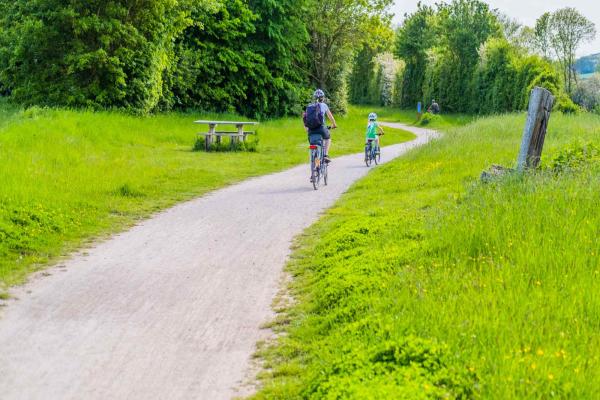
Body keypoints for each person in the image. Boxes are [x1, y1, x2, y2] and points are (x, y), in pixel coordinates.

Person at [303, 89, 337, 163]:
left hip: (311, 131)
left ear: (314, 98)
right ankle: (325, 155)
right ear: (323, 98)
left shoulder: (309, 106)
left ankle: (315, 165)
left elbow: (305, 119)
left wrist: (306, 129)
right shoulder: (324, 105)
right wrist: (334, 125)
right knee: (328, 138)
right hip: (321, 128)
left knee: (312, 144)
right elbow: (331, 117)